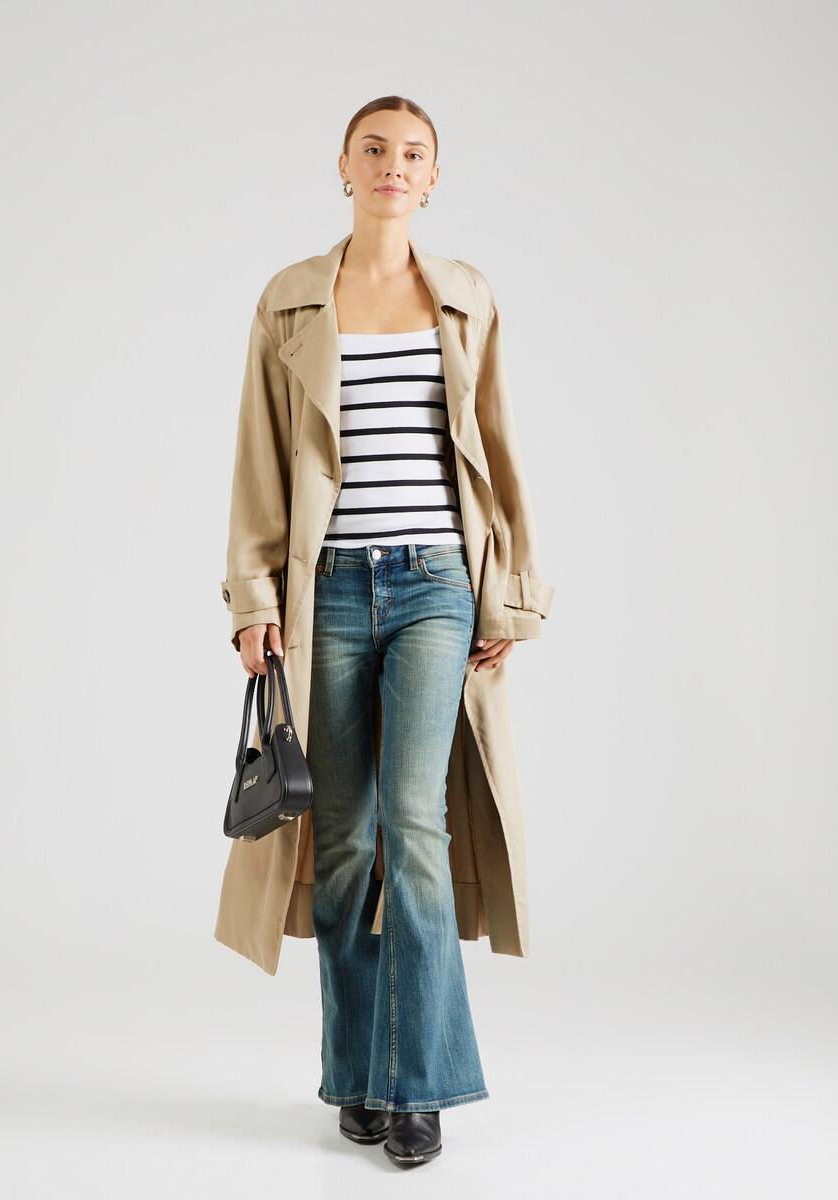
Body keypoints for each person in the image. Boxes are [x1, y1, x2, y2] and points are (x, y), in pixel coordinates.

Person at [231, 95, 541, 1169]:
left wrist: (506, 595)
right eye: (375, 149)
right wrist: (254, 601)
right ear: (344, 166)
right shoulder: (290, 301)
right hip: (326, 595)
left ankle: (418, 1088)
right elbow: (259, 460)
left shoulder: (464, 298)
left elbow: (496, 448)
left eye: (413, 153)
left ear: (433, 177)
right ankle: (357, 1075)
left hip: (435, 587)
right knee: (343, 841)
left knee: (413, 828)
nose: (393, 166)